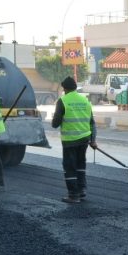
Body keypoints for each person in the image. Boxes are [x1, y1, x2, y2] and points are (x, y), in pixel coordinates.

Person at [51, 76, 98, 204]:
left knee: (69, 166)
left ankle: (73, 195)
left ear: (65, 88)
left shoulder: (63, 101)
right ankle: (82, 190)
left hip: (70, 140)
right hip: (84, 140)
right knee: (80, 165)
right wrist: (93, 140)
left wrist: (54, 118)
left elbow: (55, 124)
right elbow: (92, 123)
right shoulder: (85, 101)